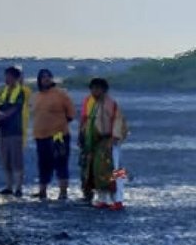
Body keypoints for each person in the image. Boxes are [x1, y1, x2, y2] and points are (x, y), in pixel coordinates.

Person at [80, 78, 128, 210]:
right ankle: (103, 199)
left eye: (97, 88)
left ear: (103, 90)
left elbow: (119, 120)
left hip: (111, 141)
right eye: (93, 88)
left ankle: (118, 200)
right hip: (98, 142)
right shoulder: (94, 104)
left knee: (117, 170)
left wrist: (115, 137)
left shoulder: (112, 104)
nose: (94, 91)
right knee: (98, 170)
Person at [31, 69, 76, 200]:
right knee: (43, 164)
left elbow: (71, 114)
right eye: (42, 77)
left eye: (47, 77)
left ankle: (63, 192)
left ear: (52, 78)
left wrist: (58, 125)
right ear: (39, 80)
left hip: (58, 135)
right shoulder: (37, 96)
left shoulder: (61, 94)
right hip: (40, 135)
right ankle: (42, 191)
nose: (45, 79)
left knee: (61, 162)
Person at [0, 67, 26, 196]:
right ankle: (9, 186)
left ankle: (19, 188)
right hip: (4, 132)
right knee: (6, 160)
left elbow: (15, 109)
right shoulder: (3, 91)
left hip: (15, 131)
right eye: (6, 76)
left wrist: (1, 116)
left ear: (15, 78)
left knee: (17, 160)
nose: (6, 79)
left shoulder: (20, 92)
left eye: (8, 76)